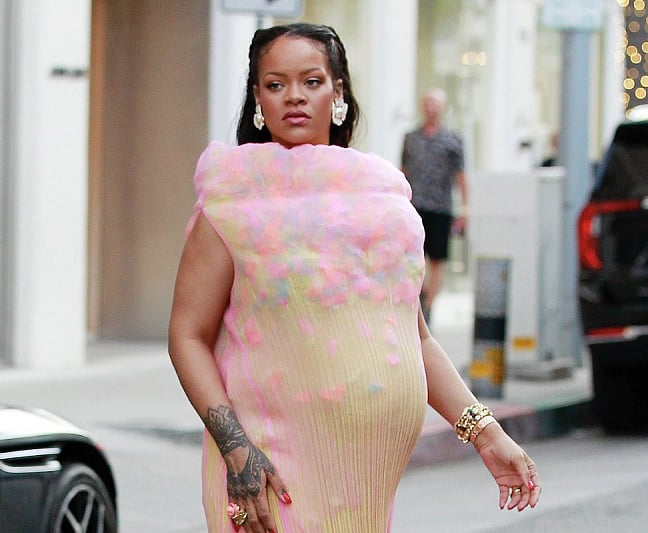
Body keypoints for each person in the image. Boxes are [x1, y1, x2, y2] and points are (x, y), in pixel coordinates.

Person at [168, 23, 540, 533]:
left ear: (337, 92)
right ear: (257, 98)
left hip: (363, 486)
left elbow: (414, 338)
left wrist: (486, 433)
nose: (294, 96)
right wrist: (237, 450)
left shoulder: (381, 196)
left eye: (311, 81)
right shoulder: (233, 199)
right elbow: (187, 334)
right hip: (269, 472)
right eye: (275, 84)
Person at [401, 88, 468, 320]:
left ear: (443, 108)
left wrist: (465, 209)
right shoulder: (411, 138)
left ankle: (429, 307)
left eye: (436, 104)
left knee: (436, 259)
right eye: (428, 103)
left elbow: (461, 175)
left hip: (441, 207)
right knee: (413, 257)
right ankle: (417, 300)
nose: (431, 108)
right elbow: (403, 171)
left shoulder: (453, 140)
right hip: (414, 207)